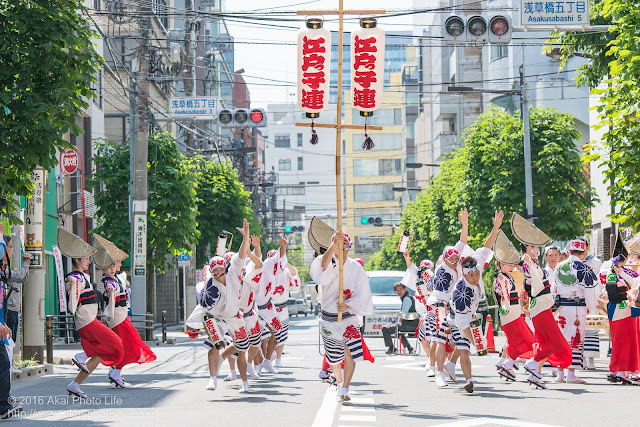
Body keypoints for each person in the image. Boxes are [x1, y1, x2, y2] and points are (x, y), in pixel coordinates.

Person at [186, 219, 254, 392]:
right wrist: (207, 328)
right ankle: (212, 379)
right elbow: (204, 310)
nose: (218, 273)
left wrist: (246, 237)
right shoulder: (210, 286)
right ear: (211, 270)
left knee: (241, 349)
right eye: (214, 271)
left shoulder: (233, 273)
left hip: (236, 317)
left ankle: (245, 384)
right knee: (214, 344)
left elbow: (241, 255)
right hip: (219, 319)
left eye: (220, 269)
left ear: (225, 267)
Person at [57, 228, 124, 398]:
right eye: (86, 259)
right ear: (78, 260)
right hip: (86, 321)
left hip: (88, 320)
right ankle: (81, 355)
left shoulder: (83, 276)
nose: (88, 261)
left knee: (102, 353)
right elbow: (73, 282)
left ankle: (74, 384)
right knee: (116, 342)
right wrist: (70, 283)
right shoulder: (76, 276)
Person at [310, 231, 373, 402]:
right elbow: (321, 268)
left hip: (348, 317)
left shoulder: (355, 267)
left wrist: (348, 304)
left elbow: (363, 292)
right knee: (333, 358)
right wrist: (333, 244)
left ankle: (345, 387)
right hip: (328, 318)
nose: (343, 247)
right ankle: (338, 381)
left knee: (350, 353)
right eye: (339, 244)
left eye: (345, 244)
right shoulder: (327, 261)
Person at [444, 210, 503, 393]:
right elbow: (462, 323)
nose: (476, 277)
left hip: (471, 315)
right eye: (472, 275)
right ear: (464, 274)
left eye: (478, 273)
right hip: (457, 318)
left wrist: (496, 227)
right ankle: (469, 380)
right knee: (465, 349)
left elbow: (487, 246)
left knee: (465, 346)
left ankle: (450, 366)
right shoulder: (461, 291)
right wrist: (479, 343)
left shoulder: (475, 263)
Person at [93, 235, 156, 387]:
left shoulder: (116, 279)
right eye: (112, 265)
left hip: (121, 316)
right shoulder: (109, 282)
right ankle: (115, 370)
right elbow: (110, 291)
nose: (117, 265)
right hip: (117, 318)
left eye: (114, 264)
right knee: (127, 344)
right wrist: (110, 290)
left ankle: (116, 370)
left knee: (130, 343)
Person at [553, 238, 600, 384]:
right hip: (576, 309)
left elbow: (554, 287)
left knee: (561, 339)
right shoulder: (582, 267)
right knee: (575, 340)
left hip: (562, 308)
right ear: (583, 252)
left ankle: (560, 373)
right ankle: (571, 373)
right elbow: (590, 288)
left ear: (569, 251)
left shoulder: (559, 266)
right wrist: (592, 307)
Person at [602, 255, 640, 383]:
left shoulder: (611, 273)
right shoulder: (620, 273)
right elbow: (636, 284)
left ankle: (614, 370)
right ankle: (622, 372)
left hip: (616, 310)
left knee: (618, 341)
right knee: (624, 341)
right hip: (624, 309)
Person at [0, 226, 23, 419]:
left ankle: (4, 404)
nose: (12, 251)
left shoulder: (2, 273)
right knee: (4, 363)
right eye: (9, 247)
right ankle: (3, 405)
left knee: (4, 362)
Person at [1, 234, 30, 350]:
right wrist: (26, 263)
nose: (12, 252)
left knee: (9, 341)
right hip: (8, 309)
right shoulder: (3, 272)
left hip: (12, 308)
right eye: (10, 247)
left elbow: (23, 278)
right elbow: (20, 276)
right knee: (7, 342)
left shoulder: (4, 270)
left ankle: (10, 363)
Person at [382, 282, 419, 355]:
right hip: (414, 325)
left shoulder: (406, 299)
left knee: (385, 328)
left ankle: (391, 348)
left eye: (400, 289)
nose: (399, 292)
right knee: (399, 330)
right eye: (397, 290)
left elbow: (403, 315)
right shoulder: (409, 297)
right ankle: (409, 348)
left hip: (408, 325)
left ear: (405, 289)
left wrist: (399, 322)